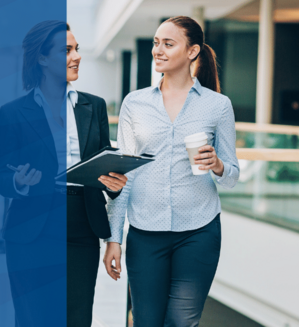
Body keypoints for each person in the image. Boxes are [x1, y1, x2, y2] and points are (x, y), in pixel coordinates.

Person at [103, 16, 239, 326]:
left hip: (199, 232)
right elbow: (125, 177)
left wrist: (217, 165)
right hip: (145, 233)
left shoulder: (218, 106)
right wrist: (114, 238)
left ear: (192, 52)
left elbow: (231, 176)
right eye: (155, 43)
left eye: (168, 43)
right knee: (146, 321)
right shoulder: (134, 104)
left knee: (182, 322)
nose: (157, 50)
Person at [0, 21, 127, 327]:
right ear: (42, 59)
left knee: (77, 318)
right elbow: (0, 174)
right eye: (66, 50)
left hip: (82, 223)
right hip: (30, 228)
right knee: (32, 319)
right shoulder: (13, 112)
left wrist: (115, 183)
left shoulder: (93, 106)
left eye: (77, 49)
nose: (76, 56)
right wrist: (18, 181)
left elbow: (103, 159)